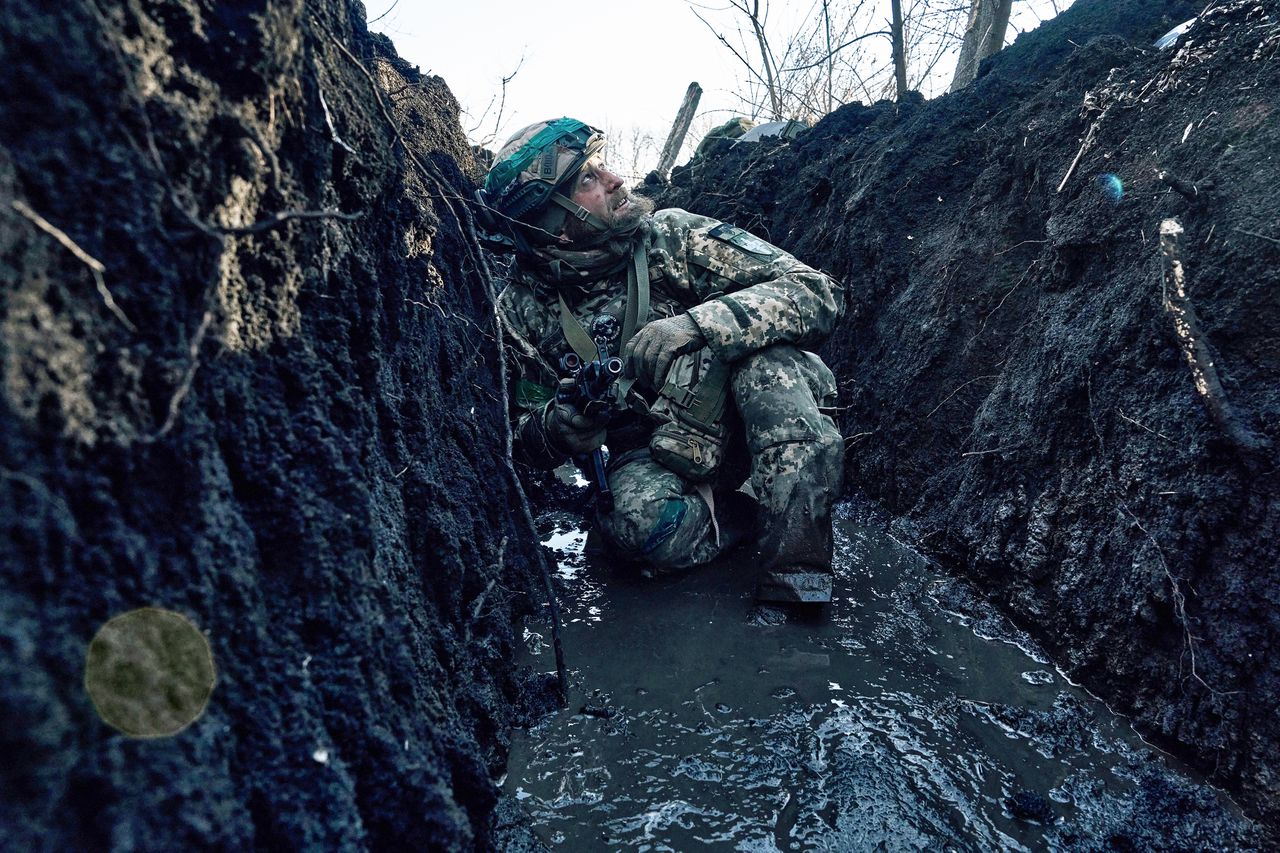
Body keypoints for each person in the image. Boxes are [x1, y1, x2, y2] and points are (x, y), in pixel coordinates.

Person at [477, 118, 845, 604]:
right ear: (557, 228)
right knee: (633, 529)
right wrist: (557, 427)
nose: (615, 180)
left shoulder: (670, 238)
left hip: (752, 418)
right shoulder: (522, 311)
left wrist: (697, 325)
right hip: (662, 454)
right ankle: (750, 513)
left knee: (768, 370)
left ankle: (798, 580)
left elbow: (817, 291)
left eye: (600, 166)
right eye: (587, 179)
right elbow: (512, 439)